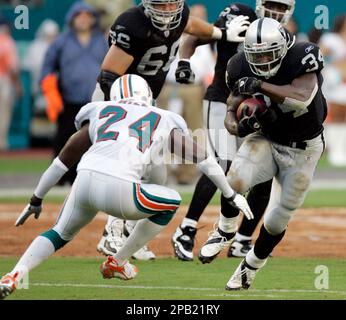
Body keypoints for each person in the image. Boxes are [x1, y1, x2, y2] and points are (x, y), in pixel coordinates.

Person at [0, 75, 253, 299]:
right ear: (147, 95)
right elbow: (205, 161)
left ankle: (14, 274)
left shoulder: (99, 110)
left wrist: (36, 198)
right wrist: (230, 195)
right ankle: (118, 260)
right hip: (121, 190)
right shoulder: (162, 117)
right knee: (171, 201)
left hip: (85, 181)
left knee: (58, 234)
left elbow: (60, 162)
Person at [93, 0, 251, 260]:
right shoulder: (132, 23)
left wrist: (222, 34)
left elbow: (191, 25)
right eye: (161, 5)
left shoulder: (180, 17)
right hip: (118, 101)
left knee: (156, 174)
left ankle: (131, 237)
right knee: (131, 164)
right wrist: (123, 113)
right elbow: (108, 76)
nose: (167, 11)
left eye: (171, 5)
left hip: (145, 103)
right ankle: (112, 232)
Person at [201, 17, 326, 290]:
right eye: (258, 55)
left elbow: (300, 97)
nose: (264, 61)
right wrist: (238, 125)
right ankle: (223, 229)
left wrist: (260, 86)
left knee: (278, 217)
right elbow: (231, 111)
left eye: (269, 53)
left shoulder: (302, 55)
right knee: (235, 178)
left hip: (304, 148)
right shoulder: (238, 64)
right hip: (268, 138)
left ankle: (251, 266)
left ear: (282, 47)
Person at [171, 0, 296, 262]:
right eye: (272, 4)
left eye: (282, 7)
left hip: (255, 108)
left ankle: (242, 240)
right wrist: (184, 60)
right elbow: (196, 36)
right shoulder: (239, 15)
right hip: (221, 100)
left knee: (262, 173)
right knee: (222, 162)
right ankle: (187, 228)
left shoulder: (284, 37)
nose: (276, 11)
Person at [40, 1, 108, 185]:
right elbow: (47, 69)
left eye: (88, 15)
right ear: (72, 18)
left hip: (95, 101)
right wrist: (51, 93)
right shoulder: (61, 42)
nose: (84, 19)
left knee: (93, 140)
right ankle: (60, 179)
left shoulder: (102, 41)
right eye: (80, 15)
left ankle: (86, 179)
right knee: (65, 138)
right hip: (68, 99)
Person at [22, 20, 59, 115]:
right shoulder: (35, 47)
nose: (51, 38)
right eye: (48, 36)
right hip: (37, 89)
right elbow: (27, 66)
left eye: (53, 36)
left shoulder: (59, 48)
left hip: (56, 90)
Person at [0, 16, 22, 151]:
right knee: (3, 113)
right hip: (4, 81)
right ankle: (1, 144)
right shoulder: (7, 42)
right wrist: (18, 85)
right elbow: (12, 68)